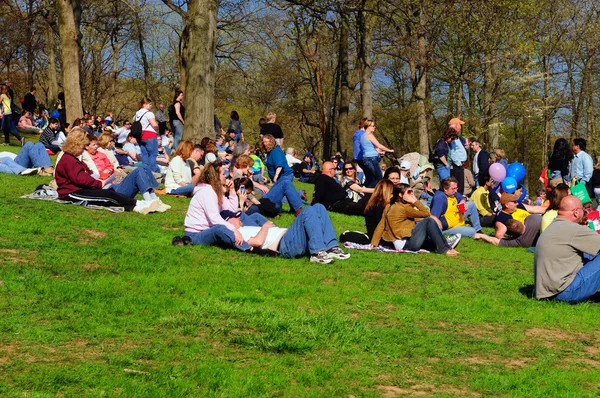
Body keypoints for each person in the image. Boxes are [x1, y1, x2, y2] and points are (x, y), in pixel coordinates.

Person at [54, 129, 168, 213]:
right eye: (83, 147)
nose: (84, 150)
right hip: (72, 192)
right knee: (107, 196)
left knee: (110, 193)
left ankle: (143, 204)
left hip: (87, 186)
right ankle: (141, 204)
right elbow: (80, 178)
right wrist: (99, 183)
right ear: (77, 145)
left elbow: (86, 174)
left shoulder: (73, 158)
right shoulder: (68, 159)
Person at [183, 162, 268, 250]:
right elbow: (215, 219)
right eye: (223, 174)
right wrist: (234, 230)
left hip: (208, 229)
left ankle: (270, 234)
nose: (225, 176)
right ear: (216, 177)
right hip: (196, 234)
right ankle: (250, 247)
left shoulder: (216, 191)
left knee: (249, 215)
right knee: (220, 229)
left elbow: (233, 209)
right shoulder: (207, 192)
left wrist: (232, 191)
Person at [228, 204, 351, 264]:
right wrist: (265, 227)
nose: (239, 217)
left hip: (289, 237)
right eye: (235, 217)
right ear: (228, 222)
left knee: (318, 207)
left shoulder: (246, 225)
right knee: (307, 211)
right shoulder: (238, 233)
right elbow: (257, 242)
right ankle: (317, 253)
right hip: (285, 246)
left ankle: (331, 247)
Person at [535, 196, 600, 303]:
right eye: (583, 210)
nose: (584, 213)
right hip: (566, 292)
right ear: (576, 212)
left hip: (548, 291)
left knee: (590, 254)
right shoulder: (573, 229)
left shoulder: (554, 226)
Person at [372, 184, 461, 255]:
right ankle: (444, 249)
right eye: (409, 192)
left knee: (430, 235)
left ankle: (446, 246)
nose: (412, 194)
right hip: (406, 244)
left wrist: (374, 243)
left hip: (401, 242)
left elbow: (381, 225)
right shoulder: (403, 208)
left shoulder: (389, 206)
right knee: (428, 221)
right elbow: (426, 214)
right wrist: (415, 201)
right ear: (400, 195)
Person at [360, 119, 394, 188]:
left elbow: (369, 148)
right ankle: (366, 189)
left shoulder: (362, 136)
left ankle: (366, 189)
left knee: (371, 178)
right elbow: (379, 145)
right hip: (372, 159)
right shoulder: (369, 135)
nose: (374, 127)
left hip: (367, 158)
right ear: (368, 126)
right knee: (379, 178)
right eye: (373, 126)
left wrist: (380, 152)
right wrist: (390, 150)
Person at [134, 97, 160, 173]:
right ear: (144, 104)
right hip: (150, 135)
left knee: (144, 155)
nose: (151, 106)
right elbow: (154, 125)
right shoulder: (149, 113)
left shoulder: (136, 114)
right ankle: (153, 172)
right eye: (150, 104)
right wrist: (158, 128)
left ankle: (144, 171)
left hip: (140, 136)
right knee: (153, 154)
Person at [447, 118, 467, 194]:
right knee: (458, 186)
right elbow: (452, 152)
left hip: (460, 164)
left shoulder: (457, 137)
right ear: (456, 126)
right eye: (460, 125)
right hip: (457, 165)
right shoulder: (452, 136)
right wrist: (458, 163)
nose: (461, 127)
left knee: (461, 186)